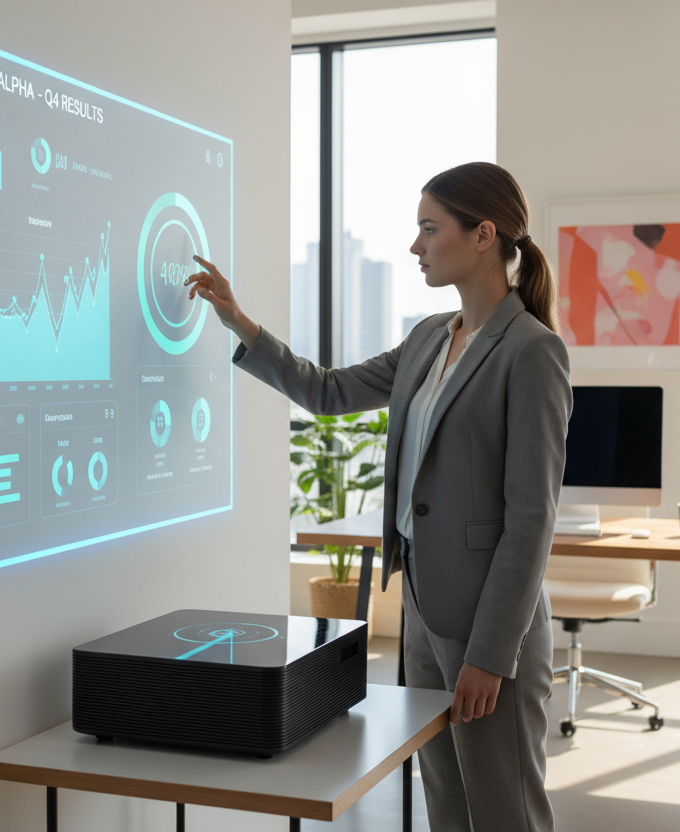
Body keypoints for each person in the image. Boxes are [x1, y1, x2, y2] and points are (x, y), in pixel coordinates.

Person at [185, 162, 571, 832]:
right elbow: (326, 391)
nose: (416, 245)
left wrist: (489, 654)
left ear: (484, 235)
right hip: (424, 609)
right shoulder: (429, 337)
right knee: (446, 800)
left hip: (489, 626)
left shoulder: (532, 352)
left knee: (504, 809)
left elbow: (531, 520)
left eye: (429, 228)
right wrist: (238, 321)